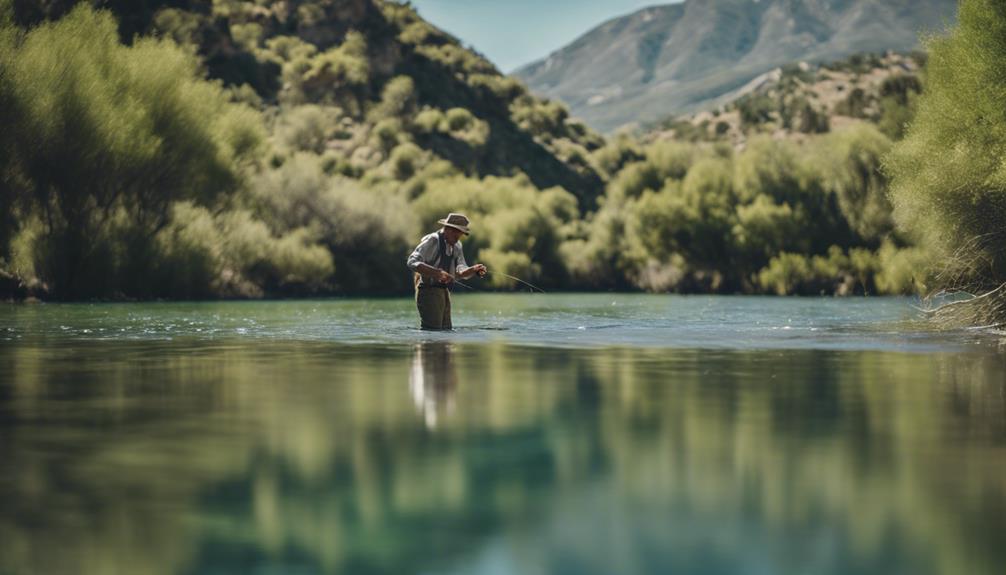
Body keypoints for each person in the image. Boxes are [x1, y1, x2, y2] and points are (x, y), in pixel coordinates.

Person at [406, 213, 486, 330]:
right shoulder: (433, 240)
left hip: (444, 293)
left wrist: (473, 270)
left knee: (446, 333)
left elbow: (460, 271)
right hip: (427, 291)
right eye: (456, 232)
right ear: (447, 229)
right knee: (433, 332)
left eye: (460, 233)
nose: (458, 236)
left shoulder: (457, 245)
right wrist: (437, 273)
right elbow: (412, 261)